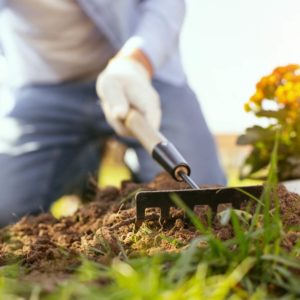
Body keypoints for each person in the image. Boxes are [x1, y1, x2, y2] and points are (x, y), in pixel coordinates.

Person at [0, 0, 226, 227]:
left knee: (202, 202)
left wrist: (136, 63)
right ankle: (83, 165)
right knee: (3, 208)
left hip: (140, 76)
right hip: (46, 88)